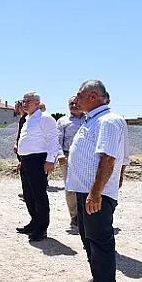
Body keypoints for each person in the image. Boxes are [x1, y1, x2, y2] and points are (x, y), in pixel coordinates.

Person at [66, 79, 129, 282]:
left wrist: (96, 193)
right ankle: (98, 278)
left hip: (96, 194)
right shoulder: (92, 120)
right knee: (88, 237)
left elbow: (108, 158)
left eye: (79, 95)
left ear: (93, 96)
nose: (75, 99)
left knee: (99, 239)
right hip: (85, 191)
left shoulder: (108, 121)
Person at [15, 92, 60, 242]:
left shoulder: (45, 118)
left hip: (38, 160)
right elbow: (28, 141)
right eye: (23, 101)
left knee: (39, 195)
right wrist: (22, 160)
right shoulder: (27, 119)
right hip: (27, 160)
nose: (25, 103)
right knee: (28, 195)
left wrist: (50, 160)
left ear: (38, 103)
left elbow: (53, 140)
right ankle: (34, 222)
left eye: (28, 101)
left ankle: (41, 228)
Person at [56, 96, 87, 228]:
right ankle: (75, 216)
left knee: (88, 186)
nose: (73, 105)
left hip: (88, 157)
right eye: (70, 104)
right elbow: (57, 141)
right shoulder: (63, 121)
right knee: (71, 187)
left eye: (76, 103)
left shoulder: (89, 119)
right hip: (68, 157)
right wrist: (60, 155)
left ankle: (88, 214)